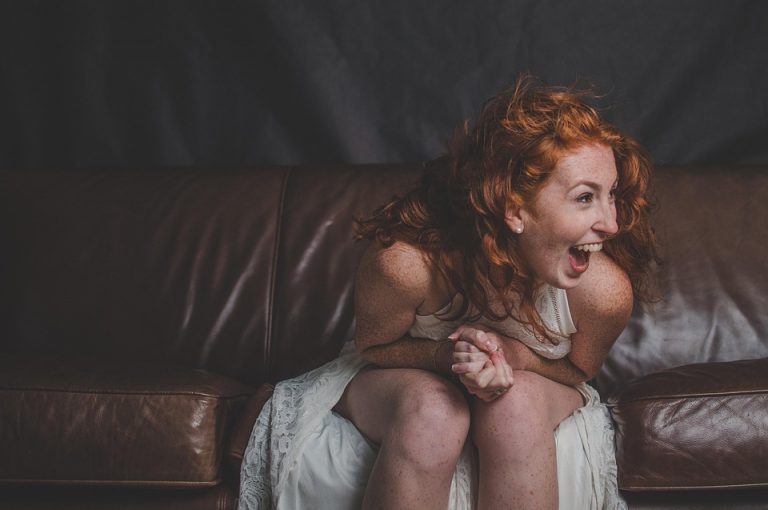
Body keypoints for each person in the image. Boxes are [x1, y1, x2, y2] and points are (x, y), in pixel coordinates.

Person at [239, 75, 658, 510]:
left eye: (612, 195)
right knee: (434, 410)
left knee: (515, 407)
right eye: (585, 198)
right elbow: (373, 346)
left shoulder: (604, 293)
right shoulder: (405, 266)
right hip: (395, 380)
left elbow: (578, 369)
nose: (611, 224)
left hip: (537, 390)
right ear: (515, 210)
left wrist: (514, 357)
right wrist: (449, 358)